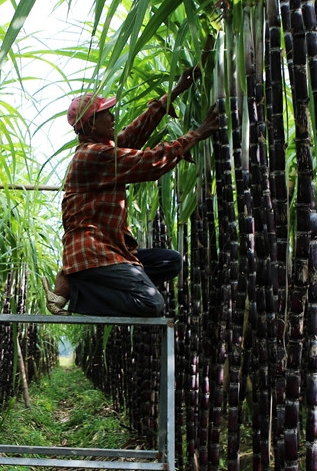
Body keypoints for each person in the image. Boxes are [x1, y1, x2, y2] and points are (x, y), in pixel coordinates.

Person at [47, 68, 220, 317]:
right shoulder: (92, 156)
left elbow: (133, 135)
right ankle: (77, 291)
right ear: (93, 123)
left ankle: (83, 282)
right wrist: (198, 134)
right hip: (94, 253)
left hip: (112, 249)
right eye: (107, 113)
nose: (113, 117)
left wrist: (174, 92)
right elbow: (150, 163)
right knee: (152, 304)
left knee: (170, 261)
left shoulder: (100, 150)